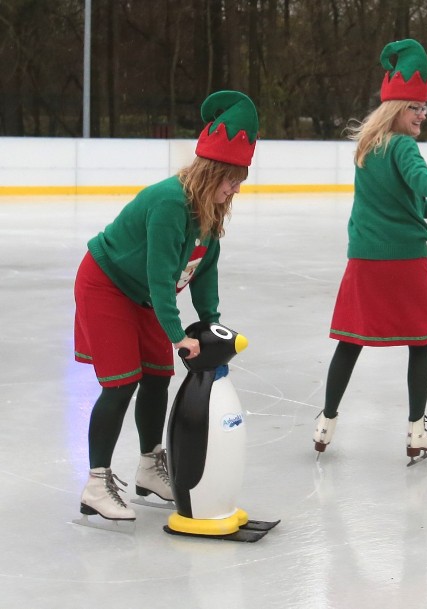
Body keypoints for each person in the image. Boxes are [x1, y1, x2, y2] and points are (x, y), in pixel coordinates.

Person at [74, 90, 259, 520]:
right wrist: (178, 336)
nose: (234, 188)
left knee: (157, 375)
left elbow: (204, 269)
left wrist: (210, 324)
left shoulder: (212, 209)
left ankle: (148, 465)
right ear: (210, 170)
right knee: (121, 382)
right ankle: (96, 483)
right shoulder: (169, 204)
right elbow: (161, 279)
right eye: (230, 178)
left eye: (240, 180)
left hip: (143, 295)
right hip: (108, 285)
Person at [313, 39, 427, 464]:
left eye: (424, 108)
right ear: (397, 108)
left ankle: (325, 422)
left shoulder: (367, 147)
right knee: (420, 341)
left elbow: (401, 201)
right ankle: (417, 431)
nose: (422, 115)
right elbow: (421, 181)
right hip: (403, 261)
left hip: (365, 260)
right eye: (415, 108)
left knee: (350, 341)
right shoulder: (403, 146)